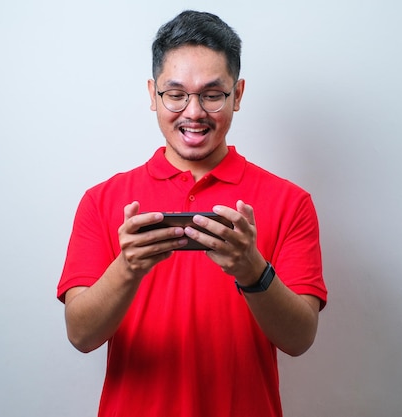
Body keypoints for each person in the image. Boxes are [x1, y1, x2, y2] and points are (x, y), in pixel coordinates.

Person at [57, 10, 327, 417]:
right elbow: (80, 334)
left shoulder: (291, 202)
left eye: (212, 94)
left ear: (237, 94)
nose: (194, 112)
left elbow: (300, 338)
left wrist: (252, 270)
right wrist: (127, 267)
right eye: (176, 93)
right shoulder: (101, 200)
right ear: (153, 94)